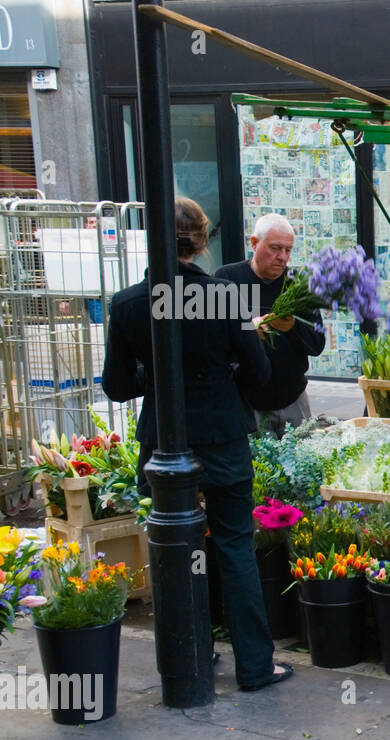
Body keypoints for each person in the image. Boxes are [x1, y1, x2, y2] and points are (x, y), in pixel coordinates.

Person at [102, 197, 293, 692]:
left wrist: (161, 374)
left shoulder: (126, 304)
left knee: (176, 548)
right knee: (233, 546)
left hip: (165, 443)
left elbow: (118, 386)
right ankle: (254, 665)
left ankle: (191, 653)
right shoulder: (224, 297)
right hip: (222, 437)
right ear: (202, 240)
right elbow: (260, 371)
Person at [215, 213, 326, 437]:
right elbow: (213, 342)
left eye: (288, 250)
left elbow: (317, 344)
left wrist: (292, 326)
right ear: (254, 244)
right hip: (247, 403)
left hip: (292, 399)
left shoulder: (298, 283)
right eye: (275, 248)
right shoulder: (227, 279)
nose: (282, 257)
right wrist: (248, 329)